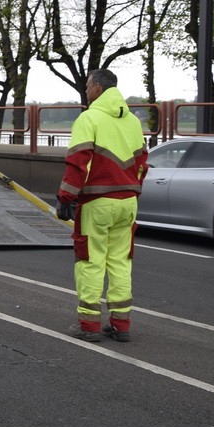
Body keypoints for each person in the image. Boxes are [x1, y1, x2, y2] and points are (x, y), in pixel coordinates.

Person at [56, 69, 147, 343]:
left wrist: (65, 199)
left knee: (90, 262)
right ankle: (121, 325)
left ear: (97, 88)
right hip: (128, 202)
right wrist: (131, 191)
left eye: (87, 86)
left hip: (97, 203)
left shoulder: (89, 118)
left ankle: (89, 325)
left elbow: (78, 163)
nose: (86, 91)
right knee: (120, 262)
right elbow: (142, 163)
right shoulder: (132, 121)